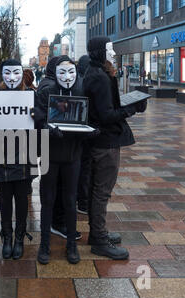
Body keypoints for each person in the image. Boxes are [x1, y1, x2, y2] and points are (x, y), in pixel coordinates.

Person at [83, 37, 147, 260]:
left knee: (96, 190)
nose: (113, 53)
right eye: (109, 50)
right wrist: (133, 109)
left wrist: (128, 104)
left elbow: (106, 107)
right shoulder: (99, 77)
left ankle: (97, 233)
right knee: (102, 191)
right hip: (105, 142)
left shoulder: (95, 72)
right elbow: (107, 115)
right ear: (101, 52)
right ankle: (99, 239)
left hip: (99, 140)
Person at [36, 55, 96, 265]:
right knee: (47, 200)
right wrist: (46, 129)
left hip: (72, 155)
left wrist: (88, 132)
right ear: (55, 73)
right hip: (50, 155)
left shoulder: (81, 91)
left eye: (71, 72)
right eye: (62, 72)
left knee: (70, 201)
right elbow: (37, 119)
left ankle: (71, 244)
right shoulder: (46, 92)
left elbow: (89, 118)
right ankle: (44, 244)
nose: (67, 76)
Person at [0, 59, 35, 260]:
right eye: (7, 73)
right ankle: (7, 235)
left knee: (22, 197)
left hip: (26, 153)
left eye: (16, 73)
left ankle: (19, 236)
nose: (12, 78)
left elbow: (41, 126)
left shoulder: (31, 96)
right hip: (2, 152)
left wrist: (38, 116)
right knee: (5, 197)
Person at [76, 55, 91, 215]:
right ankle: (83, 202)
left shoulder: (78, 81)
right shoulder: (85, 83)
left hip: (78, 135)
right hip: (85, 133)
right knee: (85, 168)